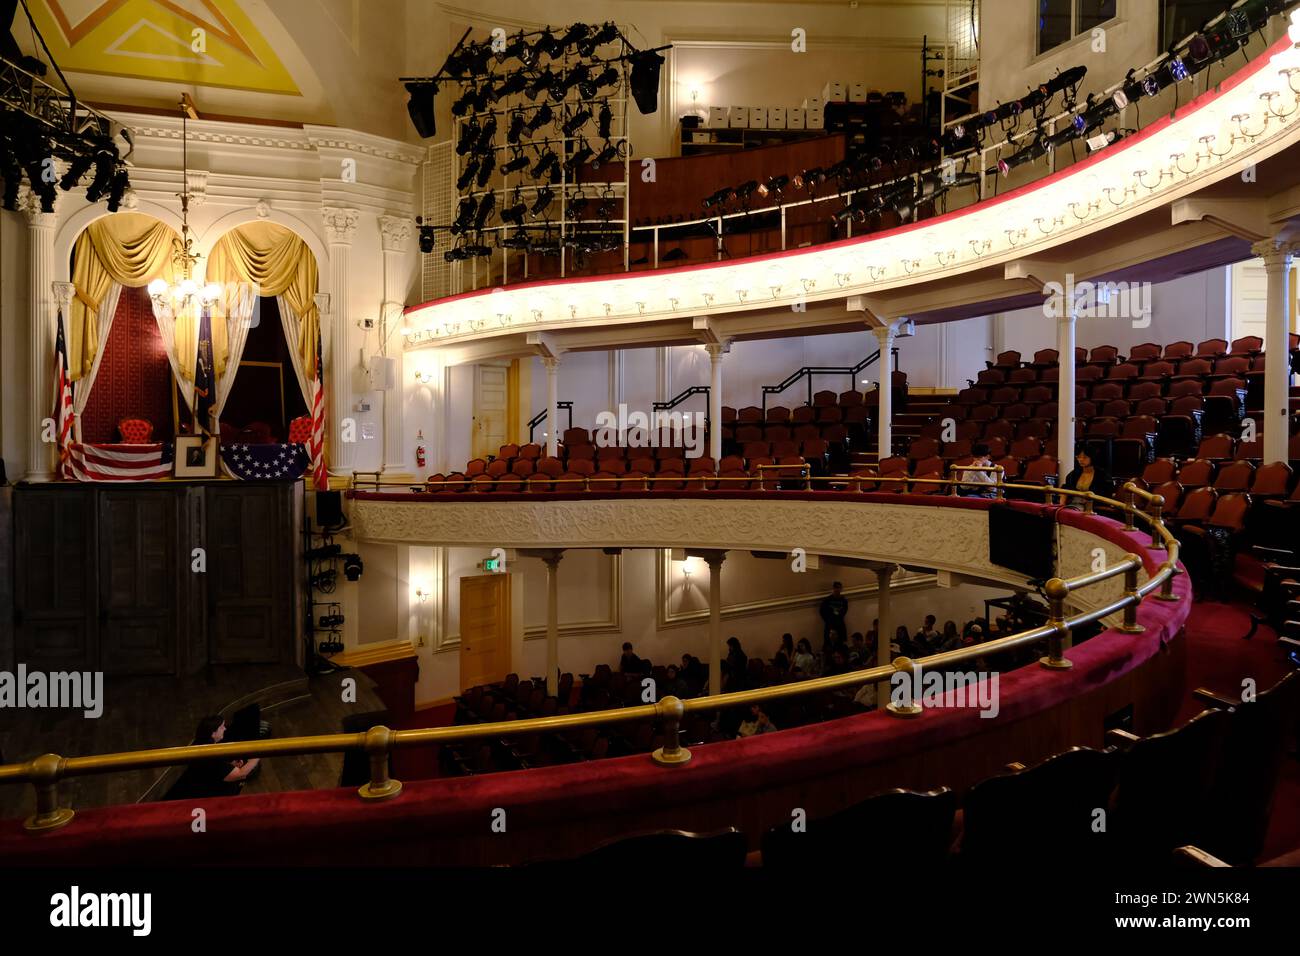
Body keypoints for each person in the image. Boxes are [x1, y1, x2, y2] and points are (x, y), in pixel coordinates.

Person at [168, 715, 259, 800]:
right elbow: (241, 774)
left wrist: (230, 766)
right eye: (222, 727)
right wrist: (257, 755)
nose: (225, 729)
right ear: (213, 733)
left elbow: (213, 770)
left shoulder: (201, 743)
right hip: (208, 797)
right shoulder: (211, 755)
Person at [819, 582, 849, 651]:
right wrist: (828, 620)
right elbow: (822, 611)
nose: (837, 590)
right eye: (836, 588)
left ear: (841, 589)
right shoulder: (827, 600)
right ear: (833, 589)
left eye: (839, 588)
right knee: (829, 644)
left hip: (839, 625)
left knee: (840, 645)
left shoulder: (843, 600)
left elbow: (844, 611)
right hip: (830, 625)